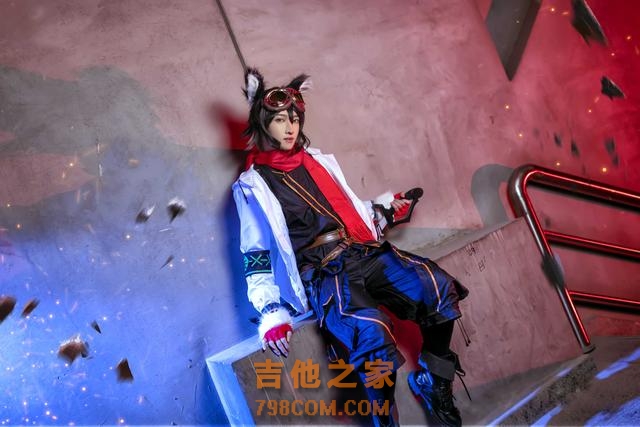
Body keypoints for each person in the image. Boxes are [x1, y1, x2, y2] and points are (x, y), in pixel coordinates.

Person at [232, 68, 469, 427]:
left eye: (294, 119)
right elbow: (256, 253)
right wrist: (270, 310)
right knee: (371, 335)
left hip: (363, 252)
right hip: (324, 273)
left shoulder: (319, 161)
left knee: (435, 286)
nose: (290, 127)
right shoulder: (253, 185)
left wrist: (386, 209)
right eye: (280, 120)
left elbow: (348, 213)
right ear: (263, 124)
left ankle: (434, 381)